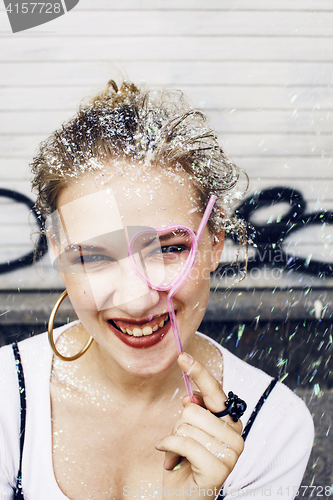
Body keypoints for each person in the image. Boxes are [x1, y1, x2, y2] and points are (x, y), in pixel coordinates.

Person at [0, 80, 313, 500]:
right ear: (56, 250)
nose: (138, 300)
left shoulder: (273, 424)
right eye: (93, 256)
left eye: (168, 248)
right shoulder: (5, 398)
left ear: (215, 240)